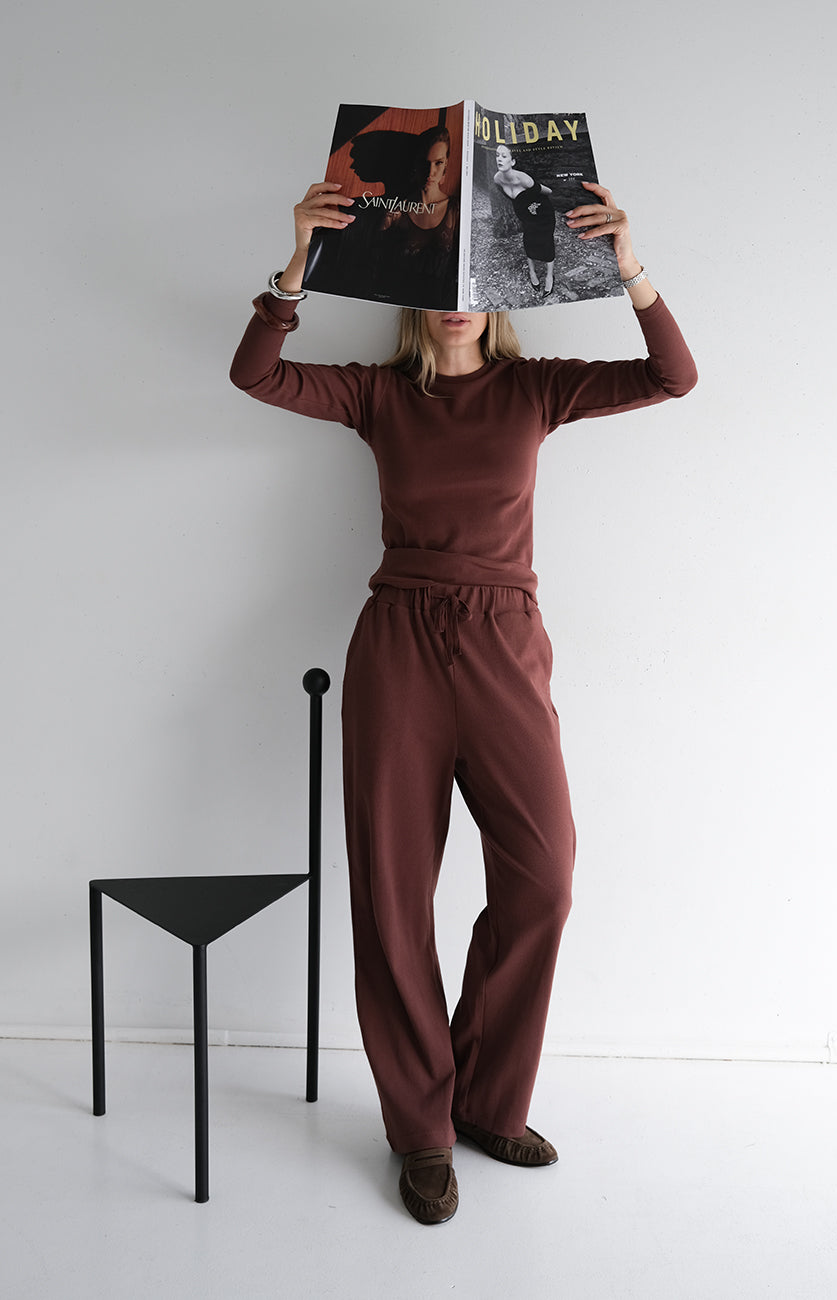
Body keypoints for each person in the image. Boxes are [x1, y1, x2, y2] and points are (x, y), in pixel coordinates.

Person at [230, 179, 697, 1225]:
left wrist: (626, 265)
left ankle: (487, 1100)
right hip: (398, 640)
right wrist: (298, 261)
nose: (457, 304)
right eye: (439, 285)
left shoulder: (533, 392)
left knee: (543, 879)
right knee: (393, 893)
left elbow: (674, 375)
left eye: (477, 284)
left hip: (502, 641)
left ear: (502, 296)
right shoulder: (378, 395)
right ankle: (421, 1128)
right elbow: (254, 372)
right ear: (413, 297)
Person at [377, 125, 459, 308]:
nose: (430, 172)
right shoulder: (396, 210)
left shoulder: (455, 209)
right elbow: (378, 264)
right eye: (424, 162)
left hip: (443, 305)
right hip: (400, 303)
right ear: (416, 164)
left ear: (446, 164)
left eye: (438, 163)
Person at [492, 143, 557, 294]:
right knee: (528, 240)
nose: (499, 159)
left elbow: (547, 191)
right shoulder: (497, 179)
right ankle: (532, 272)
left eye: (504, 156)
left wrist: (532, 203)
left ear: (513, 162)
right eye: (497, 155)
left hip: (542, 213)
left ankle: (549, 276)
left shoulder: (525, 180)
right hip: (525, 213)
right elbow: (511, 197)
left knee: (546, 241)